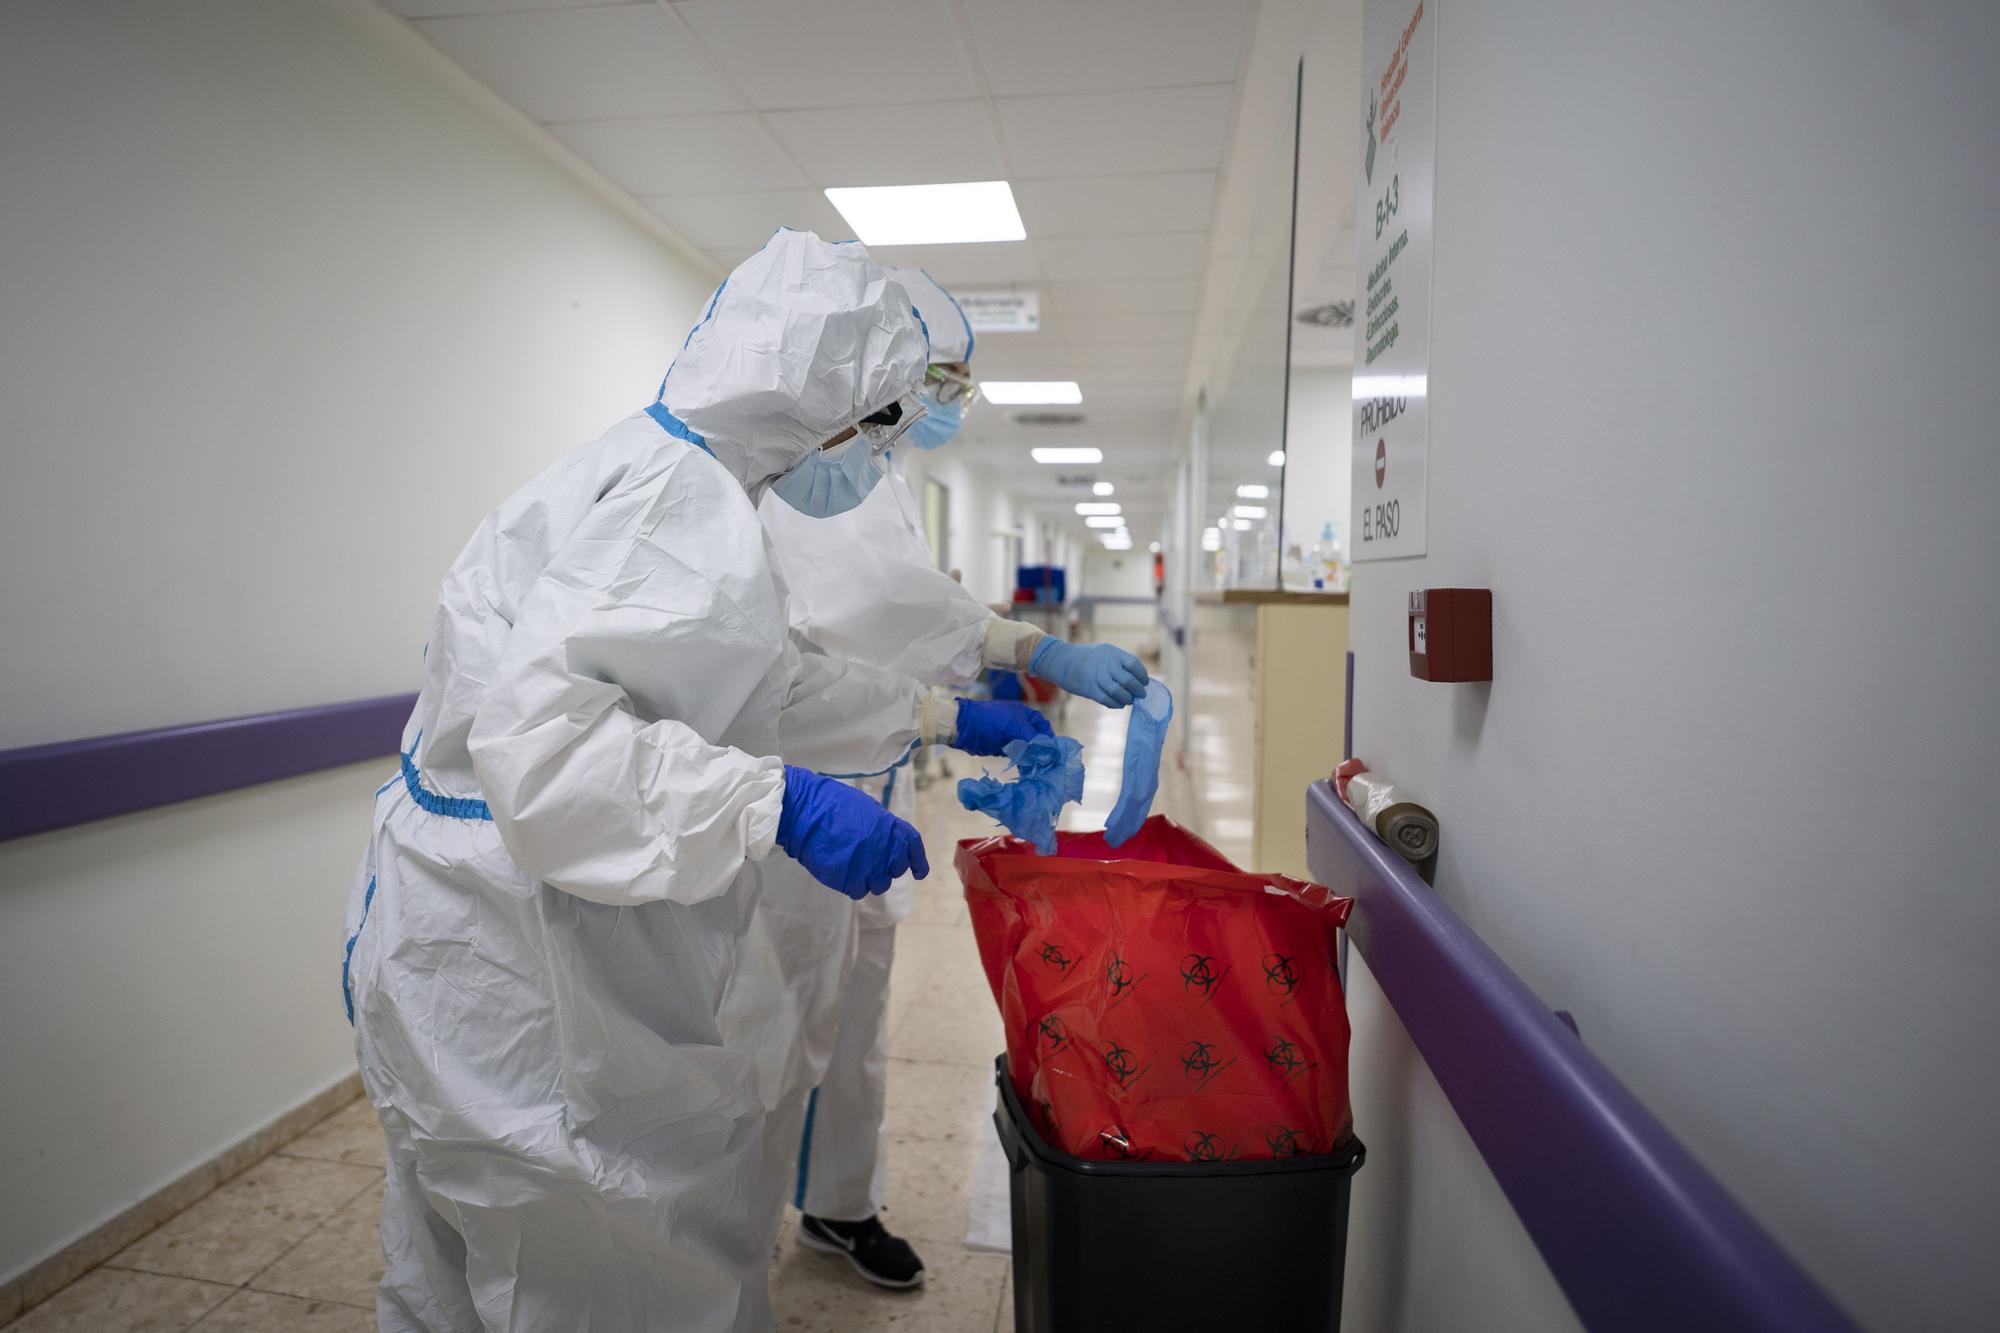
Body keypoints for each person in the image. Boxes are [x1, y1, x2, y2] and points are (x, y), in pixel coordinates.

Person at [341, 230, 1052, 1333]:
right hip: (533, 964)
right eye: (878, 428)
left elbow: (746, 679)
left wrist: (934, 713)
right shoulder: (675, 502)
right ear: (815, 405)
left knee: (462, 1270)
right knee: (613, 1265)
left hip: (470, 933)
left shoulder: (682, 476)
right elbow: (550, 751)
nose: (877, 457)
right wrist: (773, 802)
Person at [756, 266, 1151, 1288]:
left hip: (868, 780)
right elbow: (831, 642)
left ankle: (839, 1203)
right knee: (772, 1025)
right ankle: (722, 1246)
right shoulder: (786, 478)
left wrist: (1003, 669)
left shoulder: (870, 474)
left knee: (855, 1008)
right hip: (787, 803)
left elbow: (903, 604)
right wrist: (997, 675)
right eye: (940, 381)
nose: (941, 407)